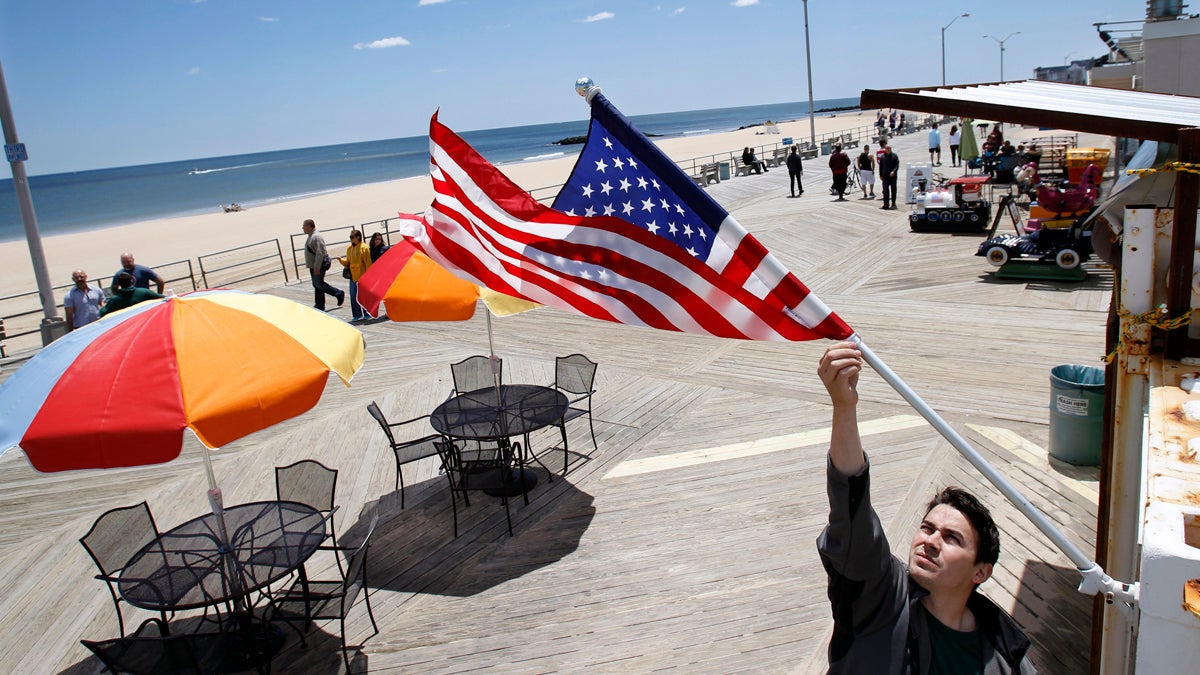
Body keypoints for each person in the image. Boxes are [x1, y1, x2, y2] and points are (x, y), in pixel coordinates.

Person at [816, 342, 1036, 673]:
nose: (930, 541)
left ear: (981, 572)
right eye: (927, 528)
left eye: (952, 538)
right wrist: (844, 407)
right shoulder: (879, 599)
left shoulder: (1007, 653)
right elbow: (852, 517)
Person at [302, 218, 344, 311]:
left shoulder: (316, 236)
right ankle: (319, 305)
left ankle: (338, 293)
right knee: (317, 285)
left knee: (319, 284)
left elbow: (320, 253)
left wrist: (317, 267)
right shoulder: (311, 236)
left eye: (304, 227)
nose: (303, 228)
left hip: (318, 266)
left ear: (309, 226)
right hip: (313, 266)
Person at [338, 229, 373, 322]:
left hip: (362, 277)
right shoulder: (349, 248)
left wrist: (369, 276)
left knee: (363, 296)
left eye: (352, 237)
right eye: (350, 237)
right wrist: (341, 260)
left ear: (358, 237)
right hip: (353, 277)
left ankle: (367, 313)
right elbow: (348, 262)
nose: (351, 239)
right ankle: (357, 314)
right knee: (353, 296)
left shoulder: (364, 248)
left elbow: (368, 263)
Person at [878, 143, 900, 210]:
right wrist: (880, 175)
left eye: (890, 148)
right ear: (885, 149)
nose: (889, 149)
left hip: (893, 176)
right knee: (885, 190)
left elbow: (897, 165)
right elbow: (880, 167)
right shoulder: (882, 157)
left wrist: (893, 171)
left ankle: (893, 203)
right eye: (887, 148)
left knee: (893, 190)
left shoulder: (894, 156)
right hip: (885, 176)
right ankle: (886, 204)